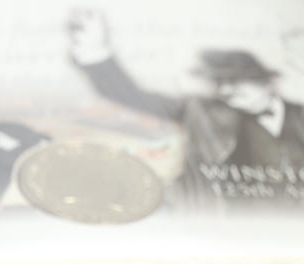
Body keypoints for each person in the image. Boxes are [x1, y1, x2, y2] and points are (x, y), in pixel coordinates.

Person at [68, 9, 304, 205]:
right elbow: (132, 97)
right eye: (220, 82)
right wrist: (95, 51)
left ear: (267, 82)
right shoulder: (199, 111)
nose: (226, 89)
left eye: (237, 80)